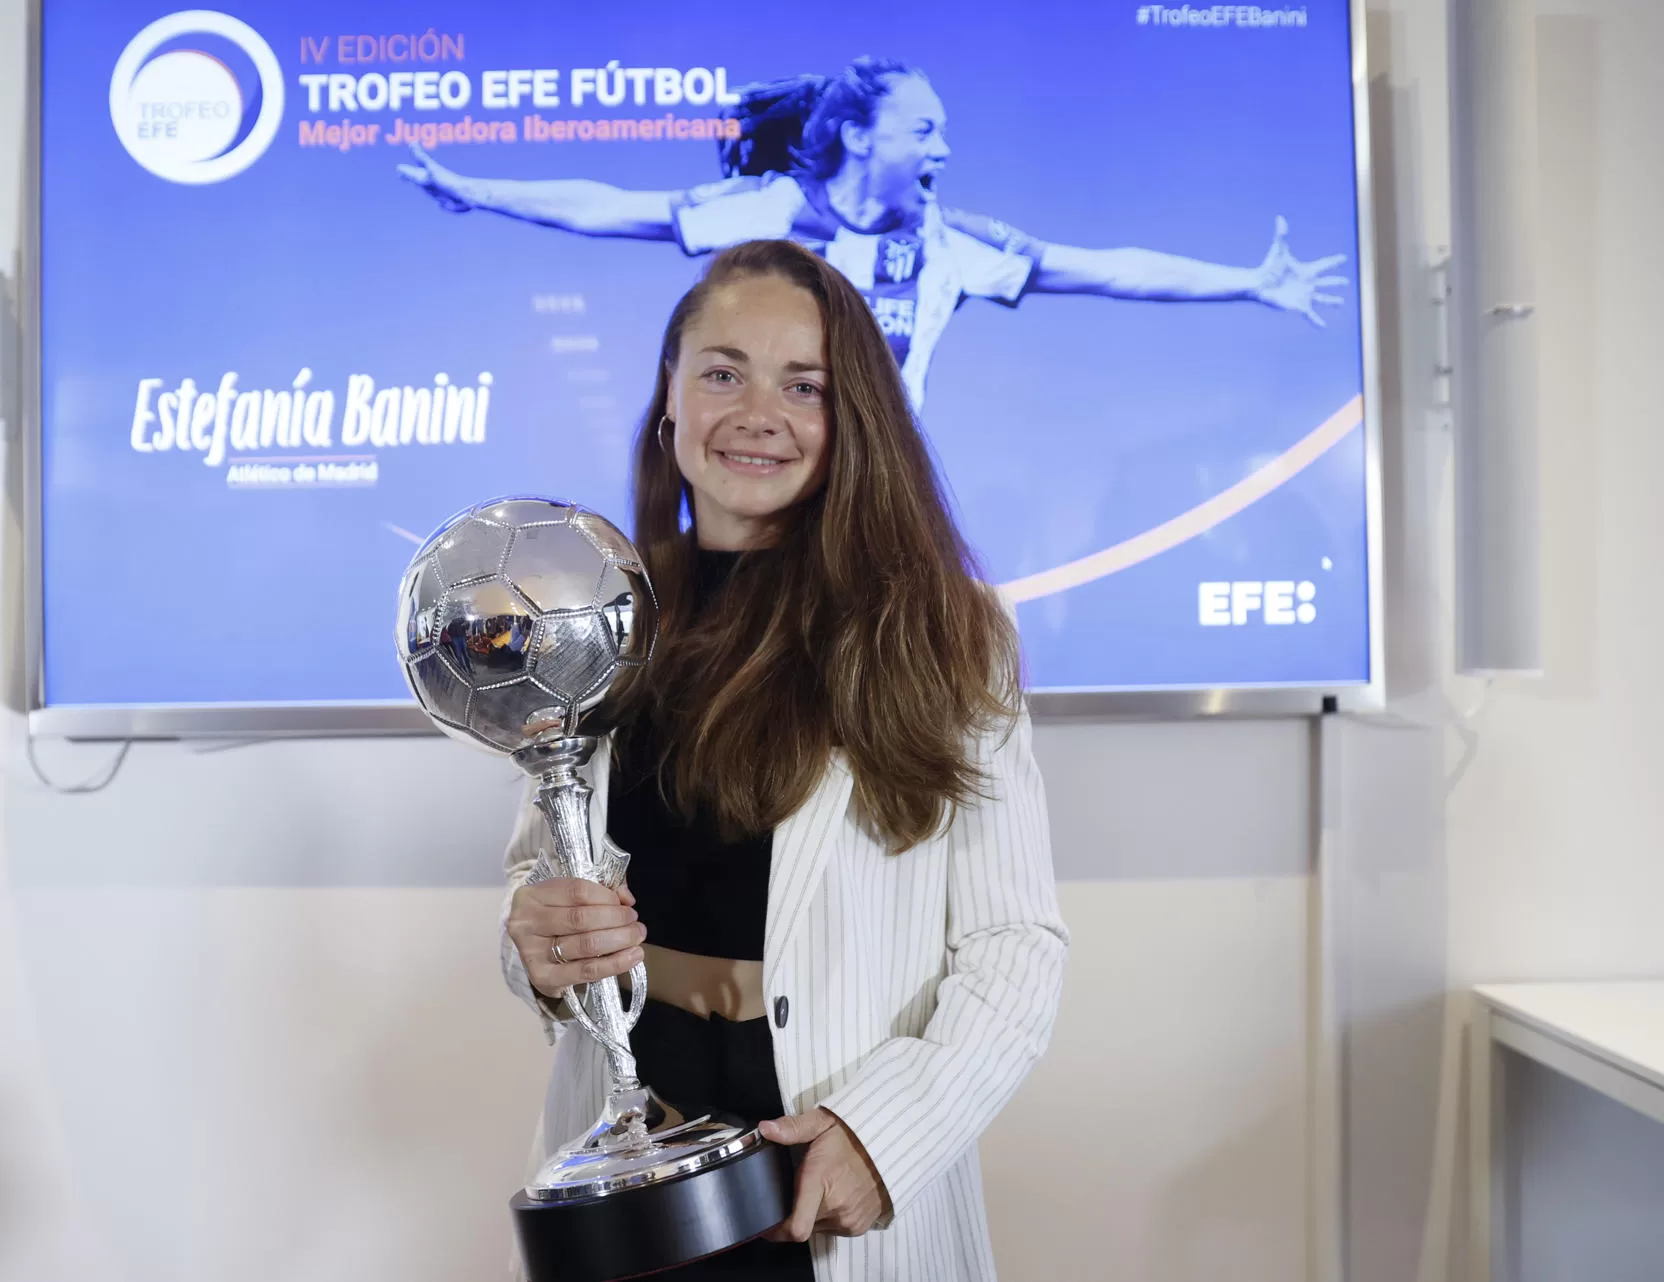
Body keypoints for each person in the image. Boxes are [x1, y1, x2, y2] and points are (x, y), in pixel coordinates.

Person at [497, 239, 1068, 1281]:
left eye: (802, 385)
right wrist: (534, 948)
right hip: (636, 1164)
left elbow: (1015, 945)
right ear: (668, 400)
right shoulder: (599, 616)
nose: (756, 412)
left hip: (828, 1159)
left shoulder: (945, 632)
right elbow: (541, 887)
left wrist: (883, 1137)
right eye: (723, 372)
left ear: (850, 417)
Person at [399, 55, 1348, 411]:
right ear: (861, 137)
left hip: (875, 517)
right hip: (758, 499)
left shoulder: (951, 242)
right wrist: (478, 190)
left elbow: (1109, 271)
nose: (946, 144)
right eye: (924, 128)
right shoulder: (774, 212)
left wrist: (1246, 282)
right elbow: (613, 207)